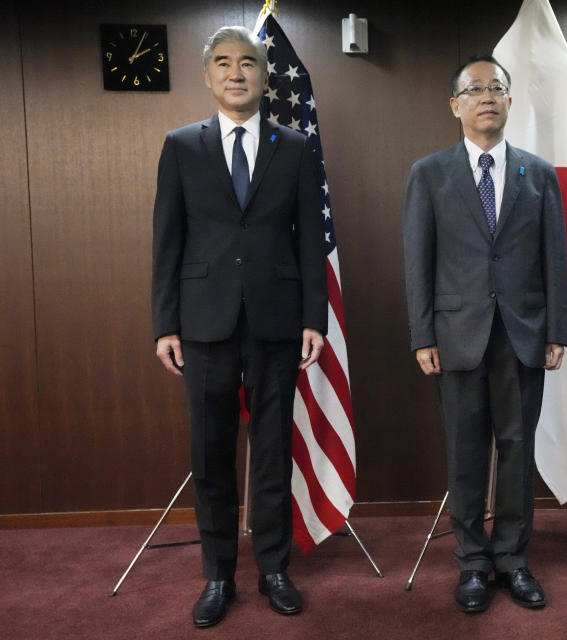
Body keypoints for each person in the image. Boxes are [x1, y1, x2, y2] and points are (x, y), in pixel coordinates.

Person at [151, 25, 327, 628]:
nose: (236, 72)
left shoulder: (295, 146)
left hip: (278, 322)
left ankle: (274, 568)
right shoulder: (181, 146)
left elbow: (310, 244)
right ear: (208, 76)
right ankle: (218, 574)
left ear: (263, 74)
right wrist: (164, 324)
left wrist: (314, 319)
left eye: (247, 62)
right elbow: (167, 242)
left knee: (274, 452)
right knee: (211, 454)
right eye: (223, 63)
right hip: (203, 324)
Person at [403, 55, 567, 613]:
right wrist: (423, 335)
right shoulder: (429, 173)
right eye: (474, 89)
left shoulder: (539, 174)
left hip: (523, 333)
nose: (487, 97)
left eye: (496, 87)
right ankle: (473, 563)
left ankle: (513, 560)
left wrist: (557, 330)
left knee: (518, 452)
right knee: (466, 452)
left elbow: (556, 259)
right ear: (456, 105)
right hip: (456, 336)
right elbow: (417, 261)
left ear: (510, 101)